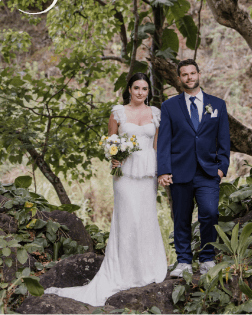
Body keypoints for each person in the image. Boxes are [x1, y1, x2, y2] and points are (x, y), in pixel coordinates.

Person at [44, 72, 167, 306]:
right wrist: (114, 157)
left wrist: (161, 171)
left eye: (144, 89)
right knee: (128, 219)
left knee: (146, 218)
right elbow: (111, 143)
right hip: (125, 175)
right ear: (129, 90)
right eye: (136, 88)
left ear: (148, 91)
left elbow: (156, 145)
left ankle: (147, 268)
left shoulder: (156, 114)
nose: (140, 92)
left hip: (147, 173)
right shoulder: (118, 112)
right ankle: (123, 272)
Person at [157, 59, 230, 278]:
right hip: (180, 171)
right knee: (181, 217)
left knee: (209, 212)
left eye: (192, 73)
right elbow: (164, 141)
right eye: (184, 74)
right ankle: (184, 261)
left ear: (199, 74)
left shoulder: (217, 105)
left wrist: (222, 167)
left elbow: (224, 139)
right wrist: (163, 170)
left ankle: (207, 258)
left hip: (208, 171)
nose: (189, 77)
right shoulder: (169, 106)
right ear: (179, 79)